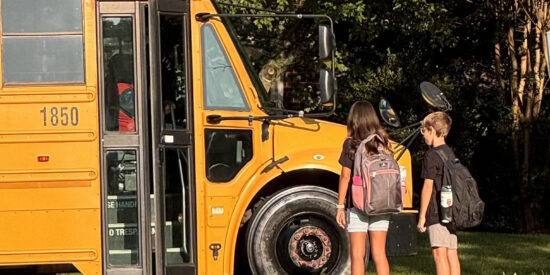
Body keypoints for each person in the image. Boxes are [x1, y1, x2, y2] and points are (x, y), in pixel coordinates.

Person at [336, 101, 392, 275]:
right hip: (382, 202)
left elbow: (345, 176)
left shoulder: (351, 144)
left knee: (358, 256)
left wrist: (339, 206)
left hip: (358, 204)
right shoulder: (383, 142)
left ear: (354, 119)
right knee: (379, 254)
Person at [417, 111, 461, 275]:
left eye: (424, 131)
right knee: (452, 253)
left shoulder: (431, 155)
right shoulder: (449, 153)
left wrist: (422, 217)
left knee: (439, 253)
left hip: (436, 211)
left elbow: (428, 186)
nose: (424, 136)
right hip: (451, 210)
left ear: (432, 130)